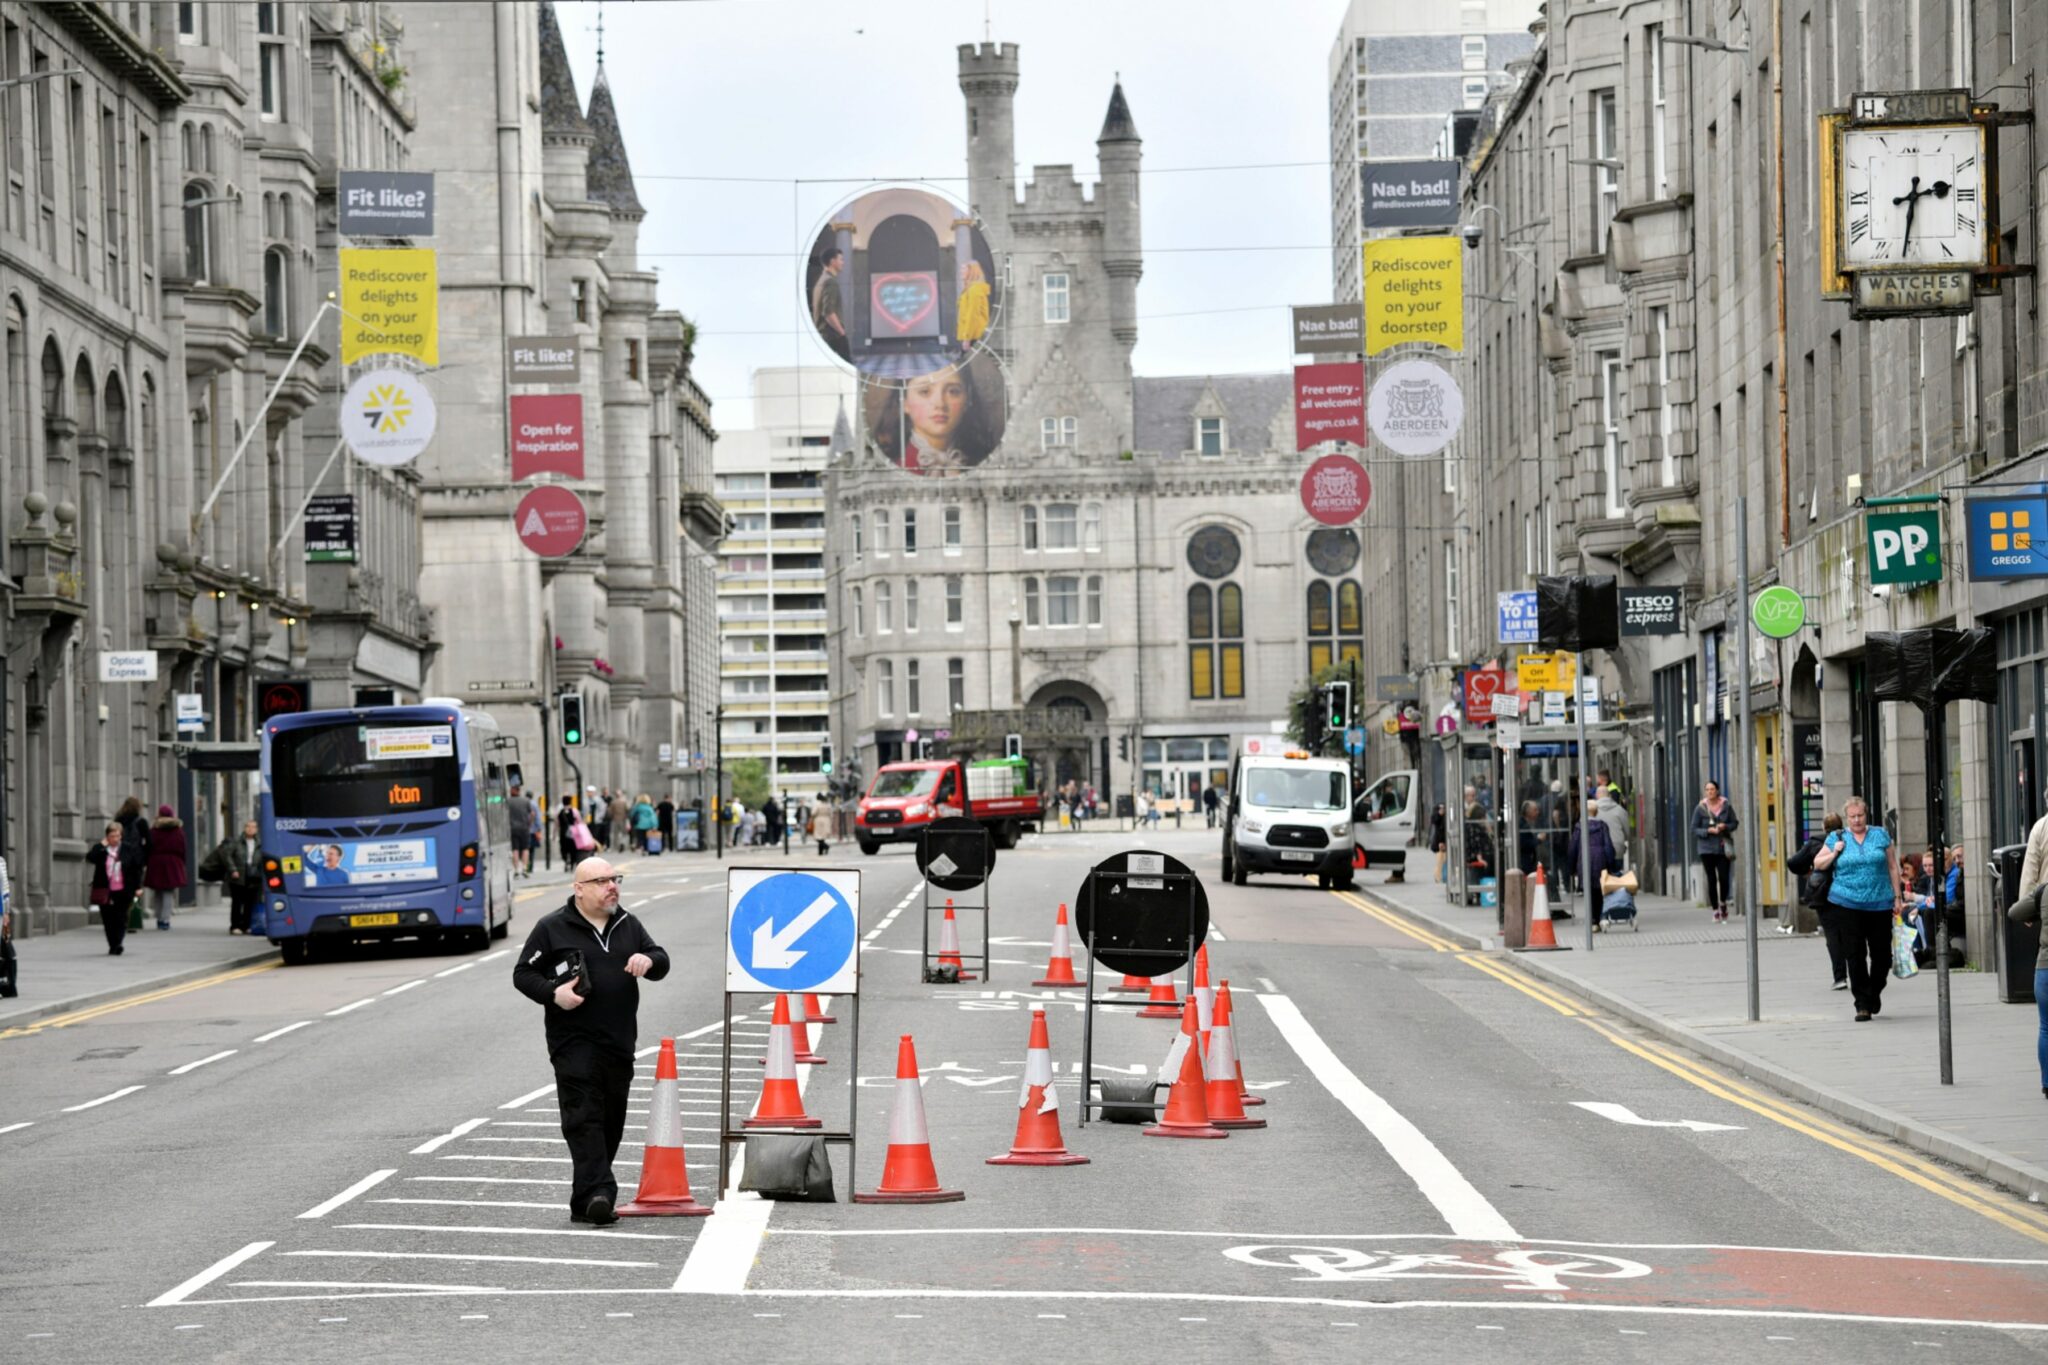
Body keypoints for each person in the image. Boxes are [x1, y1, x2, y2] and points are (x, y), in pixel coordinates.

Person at [511, 857, 669, 1226]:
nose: (611, 886)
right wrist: (553, 994)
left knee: (612, 1118)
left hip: (619, 1039)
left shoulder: (628, 924)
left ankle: (585, 1201)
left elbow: (661, 959)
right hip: (573, 1041)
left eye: (615, 879)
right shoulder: (552, 927)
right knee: (583, 1116)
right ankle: (601, 1192)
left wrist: (648, 960)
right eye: (601, 881)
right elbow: (523, 974)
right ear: (578, 889)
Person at [1812, 796, 1905, 1022]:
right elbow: (1817, 863)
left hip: (1880, 902)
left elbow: (1893, 866)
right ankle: (1862, 1004)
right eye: (1852, 816)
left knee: (1882, 956)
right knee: (1854, 954)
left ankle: (1874, 991)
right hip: (1846, 903)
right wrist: (1834, 853)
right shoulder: (1837, 837)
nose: (1856, 820)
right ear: (1846, 817)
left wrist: (1897, 896)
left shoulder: (1880, 835)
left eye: (1860, 815)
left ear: (1866, 815)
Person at [1788, 813, 1847, 989]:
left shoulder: (1815, 842)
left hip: (1824, 893)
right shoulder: (1848, 838)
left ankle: (1840, 977)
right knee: (1850, 933)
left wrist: (1809, 870)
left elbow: (1793, 863)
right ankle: (1858, 973)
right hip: (1847, 892)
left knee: (1832, 935)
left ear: (1823, 827)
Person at [86, 822, 144, 955]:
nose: (115, 839)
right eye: (112, 836)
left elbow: (136, 868)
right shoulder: (101, 850)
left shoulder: (128, 849)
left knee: (121, 917)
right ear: (107, 837)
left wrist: (138, 886)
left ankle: (118, 943)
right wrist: (101, 845)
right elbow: (90, 858)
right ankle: (112, 943)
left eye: (118, 836)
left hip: (124, 889)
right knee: (107, 919)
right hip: (105, 890)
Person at [1567, 799, 1622, 930]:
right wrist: (1611, 864)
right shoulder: (1602, 826)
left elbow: (1573, 849)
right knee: (1598, 892)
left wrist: (1571, 867)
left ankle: (1592, 920)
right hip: (1600, 861)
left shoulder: (1579, 828)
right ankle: (1597, 919)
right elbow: (1608, 846)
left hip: (1584, 861)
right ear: (1596, 812)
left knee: (1589, 891)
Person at [1692, 780, 1740, 921]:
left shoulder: (1726, 806)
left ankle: (1723, 902)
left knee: (1724, 878)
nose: (1710, 792)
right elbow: (1694, 828)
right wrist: (1707, 830)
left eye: (1712, 789)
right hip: (1706, 849)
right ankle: (1715, 910)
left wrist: (1725, 826)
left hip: (1722, 847)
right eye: (1707, 789)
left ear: (1717, 790)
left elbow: (1735, 822)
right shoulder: (1700, 808)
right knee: (1711, 879)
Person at [143, 803, 188, 930]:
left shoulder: (153, 830)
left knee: (157, 892)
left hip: (156, 862)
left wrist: (147, 862)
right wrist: (182, 864)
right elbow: (182, 849)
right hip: (173, 862)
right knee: (168, 892)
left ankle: (158, 917)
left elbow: (148, 847)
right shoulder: (178, 831)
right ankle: (165, 919)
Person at [217, 819, 263, 934]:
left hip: (253, 875)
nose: (250, 829)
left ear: (257, 829)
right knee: (237, 902)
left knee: (250, 902)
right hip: (238, 875)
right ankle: (235, 926)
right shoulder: (236, 842)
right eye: (248, 826)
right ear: (244, 828)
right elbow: (227, 856)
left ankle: (246, 925)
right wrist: (233, 869)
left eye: (253, 827)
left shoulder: (260, 843)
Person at [810, 246, 848, 360]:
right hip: (833, 336)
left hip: (824, 335)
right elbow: (828, 312)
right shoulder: (830, 282)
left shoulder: (821, 281)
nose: (843, 263)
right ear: (832, 261)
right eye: (841, 259)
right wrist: (842, 333)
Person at [505, 785, 538, 878]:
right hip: (524, 828)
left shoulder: (508, 801)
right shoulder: (526, 801)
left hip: (512, 828)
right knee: (525, 849)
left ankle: (516, 870)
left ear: (512, 790)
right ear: (519, 791)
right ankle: (524, 868)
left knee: (515, 849)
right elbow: (532, 814)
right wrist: (529, 824)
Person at [956, 258, 990, 345]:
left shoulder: (974, 290)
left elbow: (972, 315)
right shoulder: (969, 289)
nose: (961, 271)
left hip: (973, 337)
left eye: (964, 269)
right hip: (970, 336)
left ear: (972, 271)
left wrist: (967, 338)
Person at [558, 795, 582, 870]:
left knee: (564, 848)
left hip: (563, 833)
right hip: (573, 832)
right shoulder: (574, 811)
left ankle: (566, 861)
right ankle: (572, 863)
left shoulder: (560, 812)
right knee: (573, 849)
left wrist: (554, 834)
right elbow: (579, 821)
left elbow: (557, 823)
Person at [1427, 802, 1448, 885]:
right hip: (1440, 841)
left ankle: (1441, 876)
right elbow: (1435, 822)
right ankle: (1438, 876)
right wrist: (1440, 814)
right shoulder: (1438, 810)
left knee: (1443, 859)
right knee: (1440, 859)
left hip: (1445, 840)